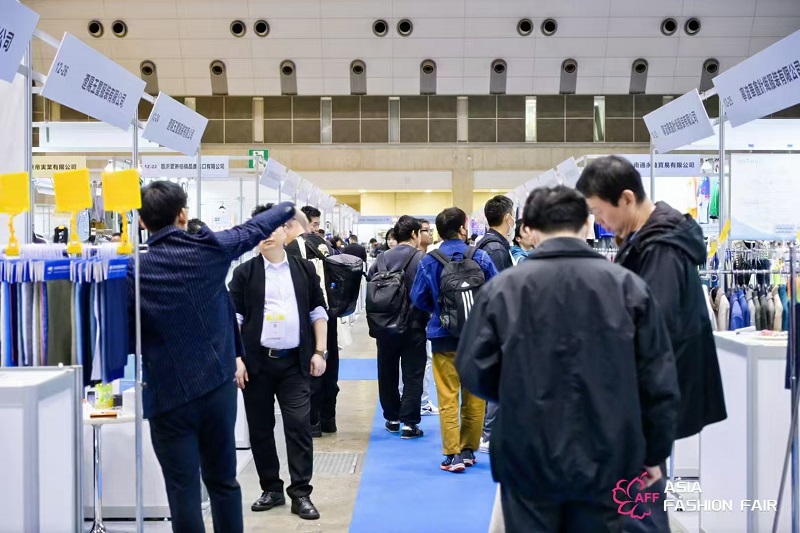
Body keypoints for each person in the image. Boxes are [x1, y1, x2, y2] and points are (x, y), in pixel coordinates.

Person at [457, 186, 680, 533]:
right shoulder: (629, 288)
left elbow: (474, 369)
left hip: (527, 451)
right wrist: (654, 452)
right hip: (609, 451)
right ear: (587, 225)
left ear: (530, 230)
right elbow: (659, 381)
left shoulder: (502, 290)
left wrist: (517, 390)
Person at [131, 181, 305, 532]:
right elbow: (253, 228)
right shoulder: (210, 249)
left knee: (182, 490)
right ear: (183, 215)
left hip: (166, 394)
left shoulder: (133, 268)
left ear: (142, 222)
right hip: (216, 389)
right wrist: (288, 208)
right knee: (223, 482)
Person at [576, 155, 727, 532]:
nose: (599, 222)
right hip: (646, 398)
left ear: (626, 198)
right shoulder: (648, 240)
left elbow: (654, 337)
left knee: (639, 506)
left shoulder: (660, 249)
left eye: (599, 211)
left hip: (646, 400)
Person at [229, 204, 328, 521]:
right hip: (256, 364)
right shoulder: (244, 274)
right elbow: (233, 319)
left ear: (286, 230)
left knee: (298, 425)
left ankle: (301, 493)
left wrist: (320, 351)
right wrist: (236, 358)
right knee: (260, 428)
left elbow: (318, 311)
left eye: (270, 228)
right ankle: (271, 488)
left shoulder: (304, 269)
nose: (265, 236)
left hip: (295, 363)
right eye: (257, 231)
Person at [410, 207, 498, 472]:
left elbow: (418, 297)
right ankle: (469, 449)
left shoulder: (429, 260)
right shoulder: (480, 256)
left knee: (448, 396)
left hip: (443, 337)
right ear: (462, 228)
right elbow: (497, 290)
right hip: (477, 338)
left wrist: (439, 311)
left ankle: (452, 455)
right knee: (475, 396)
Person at [367, 216, 428, 439]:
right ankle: (410, 424)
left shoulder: (381, 259)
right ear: (414, 234)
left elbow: (371, 284)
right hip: (414, 325)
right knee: (413, 373)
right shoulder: (421, 258)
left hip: (385, 326)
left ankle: (392, 418)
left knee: (387, 371)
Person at [286, 206, 341, 438]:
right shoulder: (325, 245)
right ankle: (329, 418)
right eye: (315, 223)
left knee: (311, 365)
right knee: (330, 363)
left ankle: (313, 421)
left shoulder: (293, 247)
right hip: (330, 312)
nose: (316, 228)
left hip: (307, 313)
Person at [474, 195, 515, 455]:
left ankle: (488, 432)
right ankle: (489, 435)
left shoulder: (484, 244)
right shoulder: (497, 249)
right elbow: (501, 289)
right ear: (508, 218)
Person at [416, 218, 438, 416]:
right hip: (419, 318)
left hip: (421, 318)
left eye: (430, 230)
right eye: (425, 230)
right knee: (423, 360)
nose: (430, 234)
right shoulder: (420, 259)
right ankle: (422, 402)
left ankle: (420, 400)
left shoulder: (428, 256)